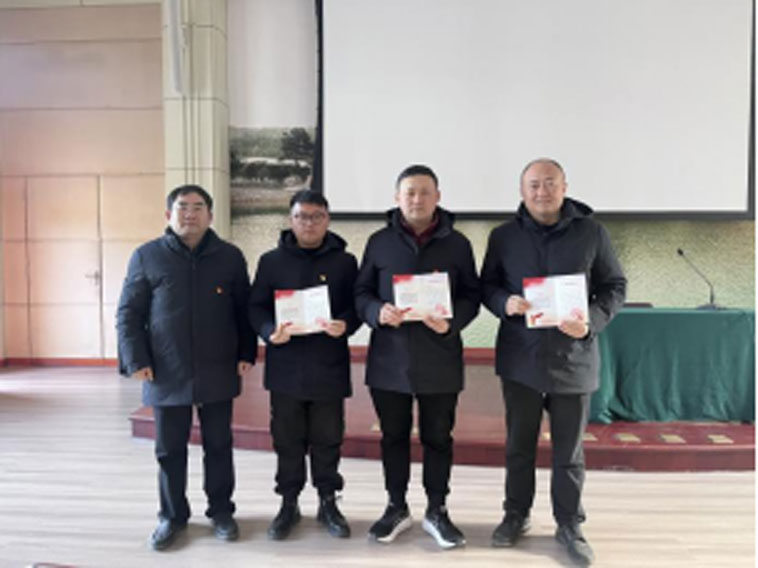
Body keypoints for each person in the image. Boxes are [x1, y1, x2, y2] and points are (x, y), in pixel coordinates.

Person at [480, 158, 626, 566]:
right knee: (519, 446)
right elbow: (486, 285)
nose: (541, 191)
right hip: (521, 358)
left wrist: (591, 321)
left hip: (573, 358)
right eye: (533, 185)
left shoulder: (592, 233)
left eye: (549, 183)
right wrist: (504, 302)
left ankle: (569, 524)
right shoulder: (503, 236)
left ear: (564, 187)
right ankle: (516, 515)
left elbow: (614, 286)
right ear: (522, 190)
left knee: (569, 452)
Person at [116, 184, 256, 551]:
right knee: (169, 450)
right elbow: (128, 313)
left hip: (218, 365)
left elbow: (244, 310)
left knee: (219, 445)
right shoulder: (147, 256)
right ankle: (172, 516)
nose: (190, 214)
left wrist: (246, 351)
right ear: (168, 214)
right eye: (182, 207)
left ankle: (221, 511)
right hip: (165, 368)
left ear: (210, 215)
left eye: (198, 207)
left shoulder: (229, 257)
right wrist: (136, 360)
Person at [355, 164, 480, 549]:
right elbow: (361, 293)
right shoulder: (379, 242)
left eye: (425, 192)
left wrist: (452, 322)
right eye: (409, 192)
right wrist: (376, 311)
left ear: (438, 197)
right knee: (392, 436)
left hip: (439, 356)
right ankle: (396, 506)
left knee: (438, 437)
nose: (417, 199)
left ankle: (437, 510)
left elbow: (471, 296)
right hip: (389, 359)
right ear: (397, 198)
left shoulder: (458, 244)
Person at [248, 190, 360, 541]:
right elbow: (255, 307)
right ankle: (288, 503)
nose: (308, 224)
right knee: (287, 440)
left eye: (316, 217)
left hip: (329, 366)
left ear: (327, 220)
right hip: (286, 367)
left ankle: (328, 501)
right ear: (290, 220)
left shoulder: (345, 262)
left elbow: (357, 306)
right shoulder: (271, 262)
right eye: (301, 217)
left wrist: (346, 324)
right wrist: (269, 331)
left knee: (329, 439)